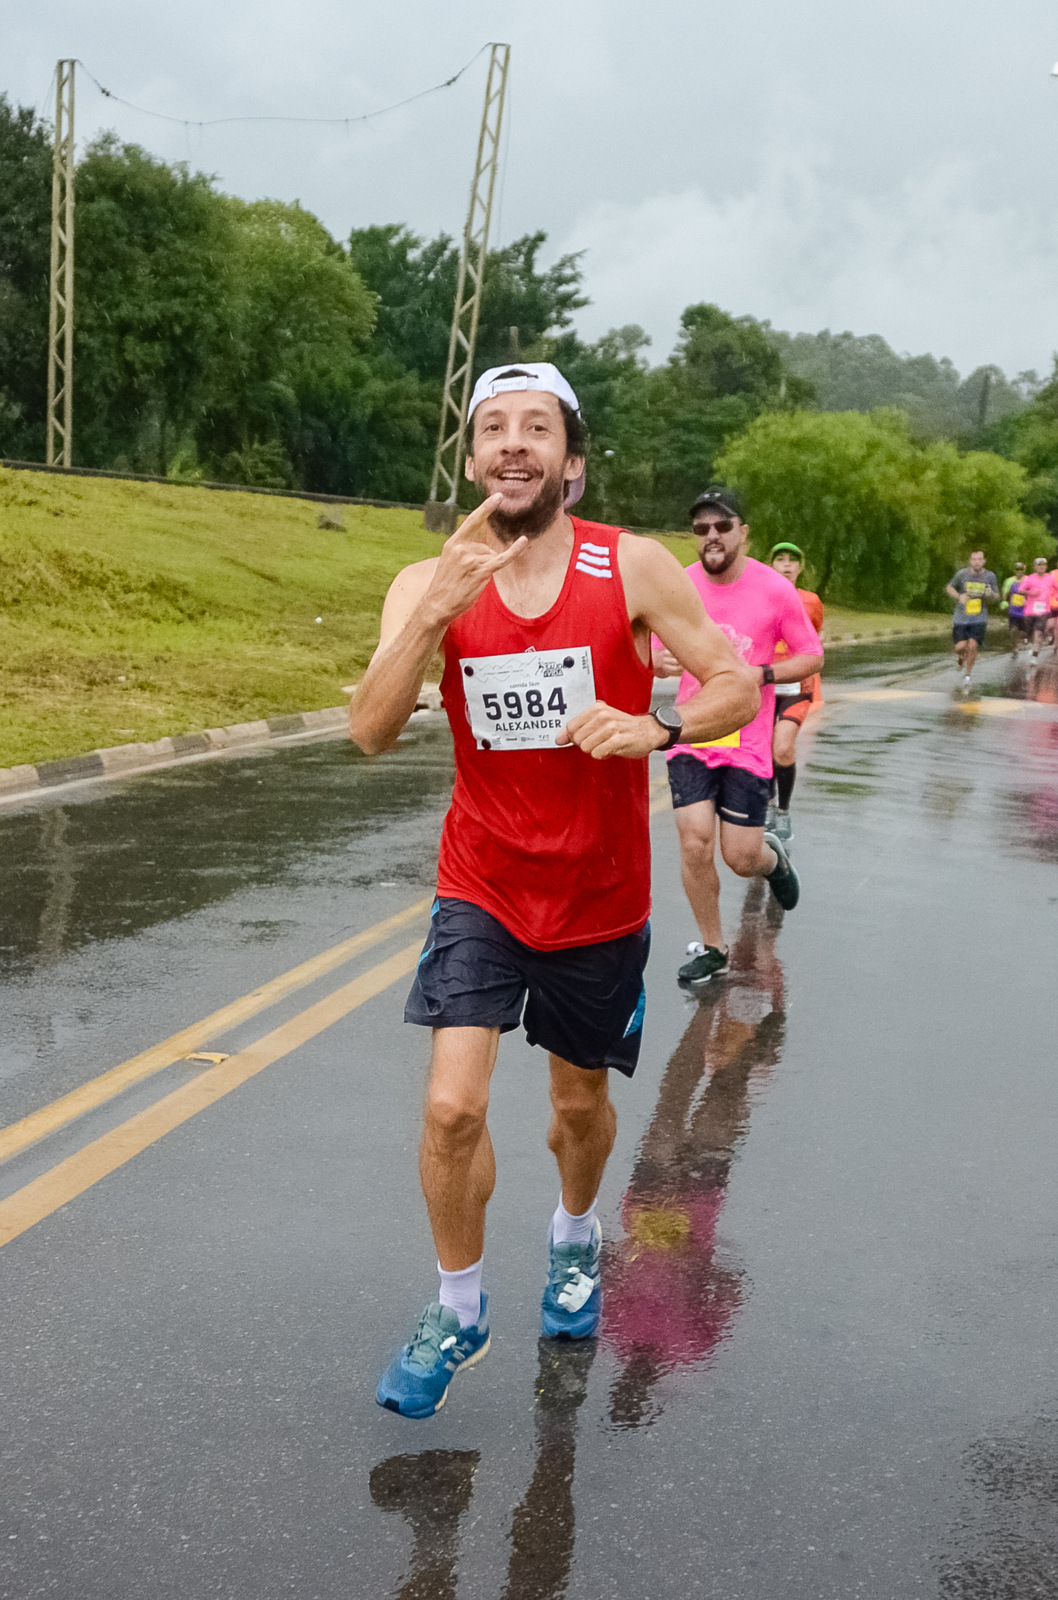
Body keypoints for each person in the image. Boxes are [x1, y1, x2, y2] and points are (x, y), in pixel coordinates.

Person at [350, 363, 759, 1419]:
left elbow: (730, 680)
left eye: (537, 428)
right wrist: (430, 613)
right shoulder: (423, 580)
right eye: (493, 429)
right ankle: (458, 1303)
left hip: (598, 896)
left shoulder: (628, 565)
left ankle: (576, 1236)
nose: (513, 444)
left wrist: (656, 729)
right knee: (449, 1108)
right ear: (472, 457)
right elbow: (368, 727)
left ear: (569, 464)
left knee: (578, 1107)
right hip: (480, 880)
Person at [652, 488, 822, 989]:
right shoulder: (677, 586)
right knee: (695, 841)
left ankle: (772, 858)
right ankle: (713, 947)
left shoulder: (774, 590)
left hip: (747, 737)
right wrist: (654, 659)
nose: (711, 537)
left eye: (721, 527)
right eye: (701, 528)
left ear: (742, 532)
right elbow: (646, 641)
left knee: (740, 857)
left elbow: (810, 655)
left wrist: (760, 674)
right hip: (691, 729)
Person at [766, 541, 825, 843]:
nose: (786, 565)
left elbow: (815, 640)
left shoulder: (810, 601)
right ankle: (768, 806)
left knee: (783, 747)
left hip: (796, 687)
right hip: (763, 686)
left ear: (800, 568)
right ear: (771, 565)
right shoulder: (758, 597)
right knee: (763, 750)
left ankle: (783, 812)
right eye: (780, 559)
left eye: (792, 560)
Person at [945, 551, 998, 687]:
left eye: (979, 559)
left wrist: (990, 594)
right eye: (974, 559)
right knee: (960, 646)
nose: (977, 562)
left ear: (984, 561)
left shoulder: (990, 576)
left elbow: (996, 596)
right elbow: (949, 587)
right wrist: (959, 597)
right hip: (961, 617)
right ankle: (961, 657)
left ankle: (968, 675)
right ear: (970, 561)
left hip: (979, 618)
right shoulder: (962, 574)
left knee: (973, 646)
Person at [1018, 557, 1055, 663]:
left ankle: (1035, 655)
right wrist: (1030, 593)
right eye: (1039, 565)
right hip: (1030, 611)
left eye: (1043, 565)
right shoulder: (1030, 578)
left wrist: (1056, 595)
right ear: (1035, 567)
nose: (1041, 567)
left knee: (1038, 632)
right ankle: (1031, 643)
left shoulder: (1050, 578)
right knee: (1030, 633)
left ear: (1046, 567)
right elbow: (1020, 590)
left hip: (1044, 610)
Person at [1001, 563, 1027, 653]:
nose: (1019, 572)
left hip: (1025, 610)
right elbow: (1005, 592)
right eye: (1017, 569)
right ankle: (1014, 646)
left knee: (1021, 630)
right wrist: (1004, 601)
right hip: (1013, 609)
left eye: (1021, 569)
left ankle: (1018, 641)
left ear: (1024, 570)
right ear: (1014, 570)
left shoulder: (1028, 580)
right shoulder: (1010, 581)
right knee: (1013, 629)